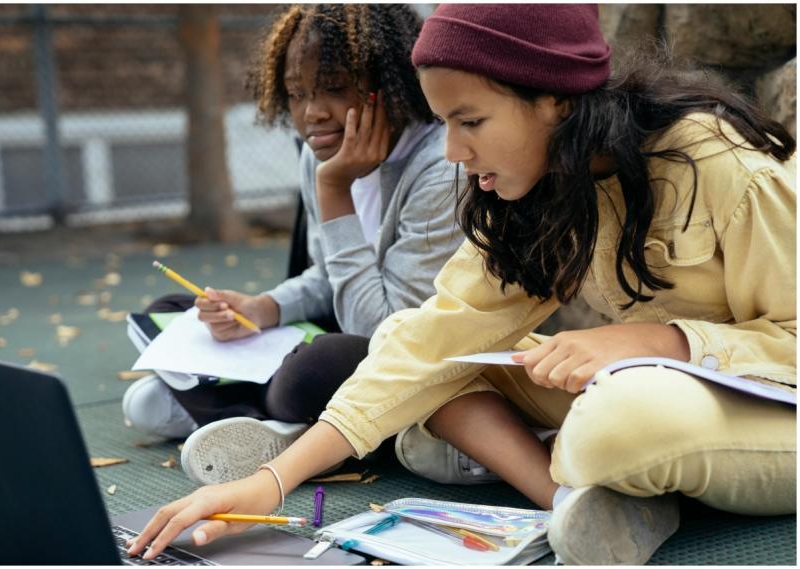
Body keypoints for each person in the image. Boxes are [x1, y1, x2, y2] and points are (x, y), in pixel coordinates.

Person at [126, 4, 796, 565]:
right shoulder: (539, 182)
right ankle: (575, 502)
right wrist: (271, 481)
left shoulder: (717, 164)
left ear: (555, 100)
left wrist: (659, 340)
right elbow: (429, 341)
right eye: (444, 122)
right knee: (413, 349)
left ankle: (591, 469)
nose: (452, 151)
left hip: (761, 407)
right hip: (636, 392)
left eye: (469, 121)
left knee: (619, 416)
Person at [120, 3, 463, 485]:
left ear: (390, 83)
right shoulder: (320, 149)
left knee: (321, 365)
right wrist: (262, 308)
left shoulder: (440, 168)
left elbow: (386, 332)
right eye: (296, 94)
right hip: (343, 333)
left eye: (335, 89)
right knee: (176, 309)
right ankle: (272, 421)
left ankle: (228, 407)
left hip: (400, 358)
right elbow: (327, 276)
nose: (311, 114)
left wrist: (335, 190)